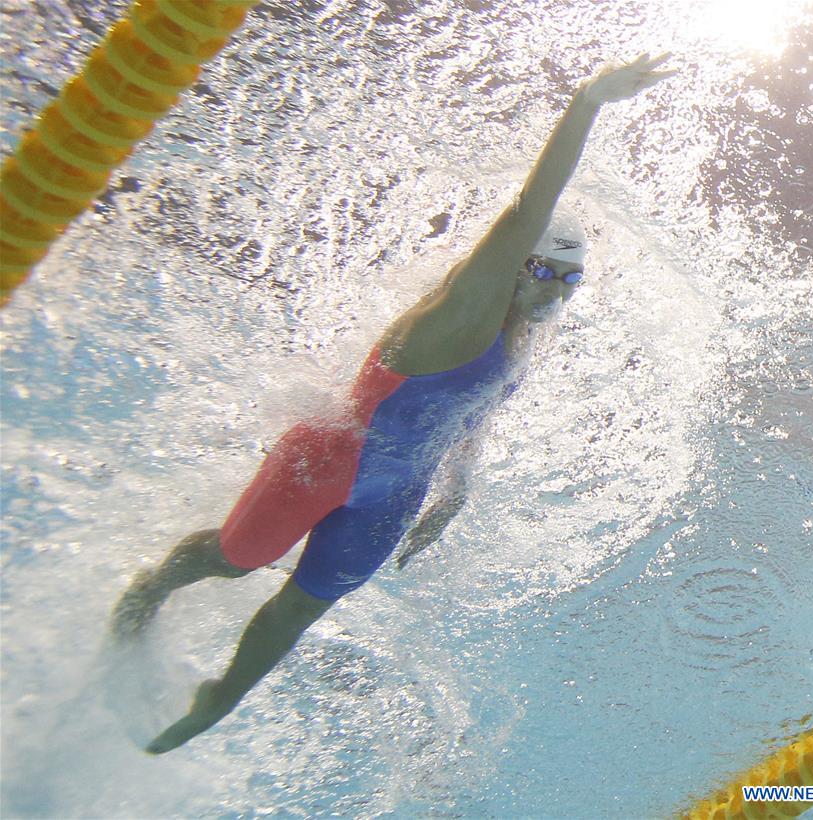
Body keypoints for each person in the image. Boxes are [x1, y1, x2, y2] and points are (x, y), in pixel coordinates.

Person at [111, 53, 676, 754]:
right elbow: (529, 207)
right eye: (544, 269)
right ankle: (150, 588)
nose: (558, 289)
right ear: (514, 263)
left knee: (300, 611)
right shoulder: (465, 308)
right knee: (236, 561)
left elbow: (473, 414)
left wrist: (455, 492)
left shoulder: (521, 335)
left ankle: (217, 698)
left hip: (393, 496)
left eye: (572, 279)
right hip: (331, 459)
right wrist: (588, 102)